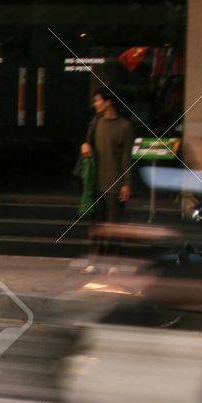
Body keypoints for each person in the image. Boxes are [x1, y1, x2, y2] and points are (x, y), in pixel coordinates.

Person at [79, 87, 134, 272]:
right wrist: (85, 147)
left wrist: (127, 183)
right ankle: (93, 261)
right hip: (96, 183)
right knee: (96, 225)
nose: (95, 104)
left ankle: (113, 263)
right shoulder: (96, 122)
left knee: (114, 226)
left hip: (115, 183)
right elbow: (87, 143)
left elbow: (127, 158)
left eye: (97, 100)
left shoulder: (125, 126)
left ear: (108, 101)